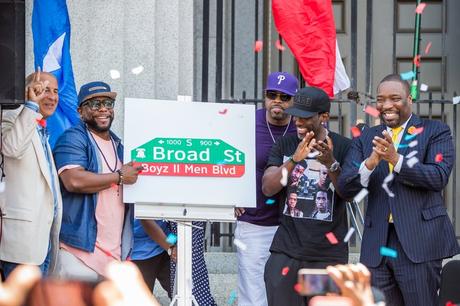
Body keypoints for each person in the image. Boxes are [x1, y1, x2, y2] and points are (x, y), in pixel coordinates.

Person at [338, 74, 460, 306]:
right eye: (381, 99)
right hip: (377, 245)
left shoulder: (435, 131)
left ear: (409, 99)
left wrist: (396, 159)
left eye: (395, 98)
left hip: (418, 242)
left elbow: (438, 176)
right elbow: (345, 187)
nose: (386, 105)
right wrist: (370, 164)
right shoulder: (366, 138)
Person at [262, 86, 351, 306]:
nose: (298, 122)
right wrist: (293, 160)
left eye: (305, 117)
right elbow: (268, 188)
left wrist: (331, 163)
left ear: (324, 116)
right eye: (295, 116)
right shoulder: (286, 144)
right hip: (287, 253)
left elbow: (349, 194)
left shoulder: (343, 146)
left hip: (326, 257)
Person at [53, 81, 143, 280]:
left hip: (113, 257)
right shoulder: (72, 139)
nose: (103, 108)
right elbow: (73, 180)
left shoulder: (119, 145)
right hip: (79, 251)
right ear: (80, 111)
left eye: (108, 103)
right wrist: (119, 177)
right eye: (95, 104)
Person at [234, 72, 298, 306]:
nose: (277, 101)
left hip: (293, 224)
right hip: (255, 221)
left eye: (285, 96)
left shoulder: (300, 125)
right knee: (253, 292)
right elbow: (227, 159)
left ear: (293, 100)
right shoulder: (247, 121)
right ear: (265, 96)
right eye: (272, 95)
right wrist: (232, 194)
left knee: (288, 292)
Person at [0, 71, 62, 278]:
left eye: (55, 91)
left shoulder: (39, 127)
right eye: (43, 90)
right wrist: (31, 106)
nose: (52, 97)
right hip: (20, 247)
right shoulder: (11, 116)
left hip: (43, 245)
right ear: (28, 92)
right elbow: (12, 149)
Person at [132, 219, 176, 297]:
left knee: (181, 292)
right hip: (140, 254)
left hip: (164, 248)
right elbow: (147, 221)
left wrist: (174, 242)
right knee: (141, 299)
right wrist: (171, 248)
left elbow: (170, 229)